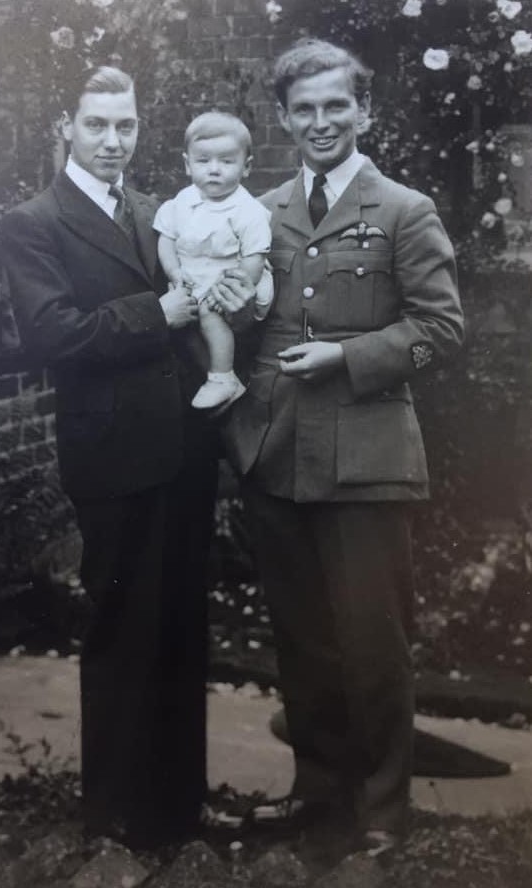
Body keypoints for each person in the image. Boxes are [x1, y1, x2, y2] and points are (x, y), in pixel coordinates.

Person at [0, 65, 253, 848]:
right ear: (66, 128)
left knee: (182, 627)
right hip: (112, 458)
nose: (114, 140)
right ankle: (113, 817)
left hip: (183, 451)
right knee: (122, 632)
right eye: (97, 125)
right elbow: (54, 336)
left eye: (126, 125)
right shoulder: (34, 222)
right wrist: (157, 310)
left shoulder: (157, 209)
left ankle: (178, 808)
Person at [222, 38, 464, 855]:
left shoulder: (404, 209)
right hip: (278, 457)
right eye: (305, 109)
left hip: (367, 462)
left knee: (373, 645)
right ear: (284, 119)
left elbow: (440, 331)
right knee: (303, 641)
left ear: (365, 111)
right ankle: (318, 795)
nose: (321, 121)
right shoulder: (257, 212)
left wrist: (348, 358)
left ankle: (384, 811)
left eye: (336, 106)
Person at [154, 111, 274, 410]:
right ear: (187, 164)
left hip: (230, 280)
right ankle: (207, 374)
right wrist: (174, 272)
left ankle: (223, 377)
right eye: (203, 161)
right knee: (186, 323)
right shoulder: (182, 202)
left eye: (227, 161)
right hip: (192, 275)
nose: (214, 170)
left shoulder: (247, 210)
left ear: (246, 167)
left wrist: (236, 287)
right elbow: (166, 238)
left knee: (209, 314)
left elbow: (254, 257)